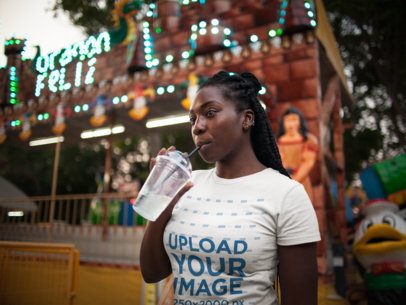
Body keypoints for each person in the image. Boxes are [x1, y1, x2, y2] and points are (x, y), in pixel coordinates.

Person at [140, 71, 320, 305]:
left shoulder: (286, 194)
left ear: (246, 119)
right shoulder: (186, 185)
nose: (197, 127)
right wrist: (162, 202)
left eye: (210, 113)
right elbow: (152, 272)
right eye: (192, 119)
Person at [276, 107, 318, 202]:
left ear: (300, 122)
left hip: (302, 182)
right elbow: (279, 161)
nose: (291, 124)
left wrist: (294, 180)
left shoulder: (309, 141)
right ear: (283, 123)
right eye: (288, 120)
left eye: (294, 120)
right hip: (284, 183)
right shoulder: (277, 143)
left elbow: (308, 163)